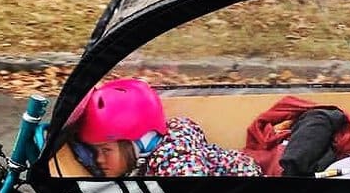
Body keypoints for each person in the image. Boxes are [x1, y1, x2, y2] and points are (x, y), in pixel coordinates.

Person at [68, 77, 263, 179]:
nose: (98, 159)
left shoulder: (175, 167)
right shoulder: (159, 152)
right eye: (95, 151)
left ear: (139, 146)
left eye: (106, 150)